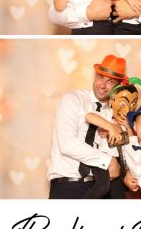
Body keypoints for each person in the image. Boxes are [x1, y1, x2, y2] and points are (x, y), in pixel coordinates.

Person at [48, 56, 125, 199]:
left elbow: (124, 149)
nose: (102, 85)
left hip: (102, 187)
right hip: (68, 187)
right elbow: (67, 144)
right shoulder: (72, 99)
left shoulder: (114, 113)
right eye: (100, 77)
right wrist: (108, 160)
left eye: (110, 82)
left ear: (118, 86)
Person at [83, 77, 141, 198]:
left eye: (132, 104)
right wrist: (110, 127)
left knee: (119, 195)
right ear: (111, 102)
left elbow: (132, 144)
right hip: (101, 159)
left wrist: (127, 127)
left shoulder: (130, 123)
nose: (127, 109)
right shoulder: (106, 114)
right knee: (103, 186)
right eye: (122, 104)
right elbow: (89, 116)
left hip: (119, 163)